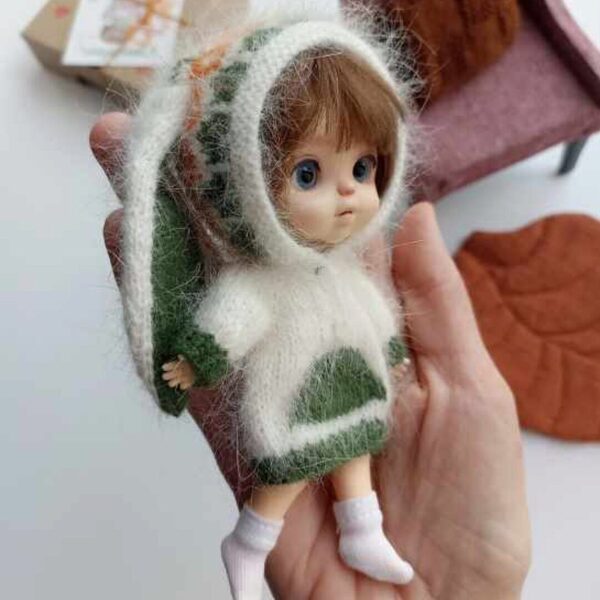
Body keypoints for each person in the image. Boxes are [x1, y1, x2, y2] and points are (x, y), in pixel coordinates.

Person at [92, 111, 531, 599]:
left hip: (354, 384)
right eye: (308, 174)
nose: (347, 192)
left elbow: (372, 311)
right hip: (293, 394)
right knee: (288, 471)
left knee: (357, 448)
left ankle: (363, 533)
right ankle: (249, 543)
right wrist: (197, 360)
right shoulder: (261, 279)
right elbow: (231, 319)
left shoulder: (344, 267)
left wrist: (389, 349)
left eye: (361, 169)